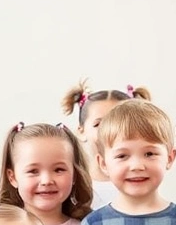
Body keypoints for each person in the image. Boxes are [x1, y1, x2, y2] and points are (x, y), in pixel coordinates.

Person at [60, 79, 151, 209]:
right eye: (98, 124)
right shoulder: (71, 187)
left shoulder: (144, 180)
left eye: (118, 122)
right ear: (81, 131)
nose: (109, 130)